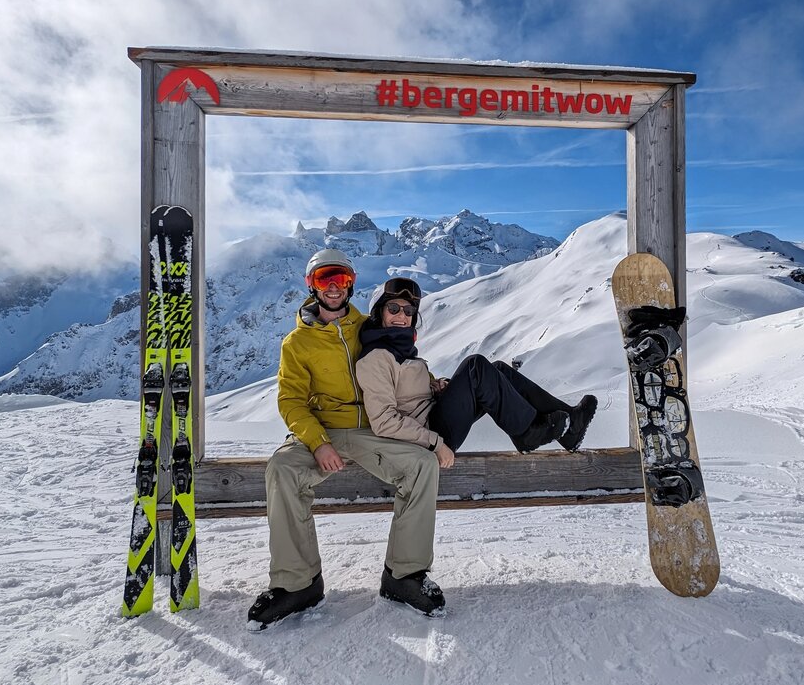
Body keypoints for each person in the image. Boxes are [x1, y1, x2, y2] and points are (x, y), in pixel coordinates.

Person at [247, 250, 445, 629]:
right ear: (312, 285)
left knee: (421, 465)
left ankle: (403, 576)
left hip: (373, 429)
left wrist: (432, 382)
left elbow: (401, 360)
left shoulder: (366, 326)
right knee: (282, 469)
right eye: (324, 279)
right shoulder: (297, 343)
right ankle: (298, 583)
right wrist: (318, 442)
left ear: (351, 282)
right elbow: (291, 400)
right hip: (324, 430)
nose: (333, 286)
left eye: (339, 277)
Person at [355, 277, 598, 466]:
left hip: (434, 419)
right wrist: (437, 445)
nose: (402, 316)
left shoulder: (399, 349)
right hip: (427, 438)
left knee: (500, 370)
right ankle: (526, 434)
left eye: (408, 311)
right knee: (475, 367)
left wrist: (435, 388)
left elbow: (407, 393)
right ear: (379, 313)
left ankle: (571, 428)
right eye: (394, 308)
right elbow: (385, 422)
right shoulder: (376, 358)